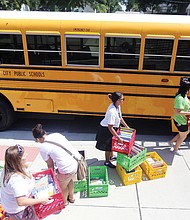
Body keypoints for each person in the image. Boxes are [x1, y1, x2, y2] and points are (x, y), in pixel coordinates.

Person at [32, 124, 81, 205]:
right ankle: (71, 198)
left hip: (66, 168)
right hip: (76, 162)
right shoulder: (56, 135)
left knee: (62, 186)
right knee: (69, 180)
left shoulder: (43, 148)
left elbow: (50, 165)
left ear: (38, 139)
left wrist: (51, 177)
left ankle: (64, 202)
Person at [0, 145, 50, 220]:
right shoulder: (16, 180)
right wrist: (42, 200)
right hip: (19, 211)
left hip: (10, 205)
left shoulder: (9, 167)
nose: (26, 154)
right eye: (24, 154)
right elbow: (21, 201)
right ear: (19, 160)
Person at [95, 92, 130, 168]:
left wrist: (127, 127)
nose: (123, 100)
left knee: (111, 145)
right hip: (106, 130)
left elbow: (120, 118)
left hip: (112, 128)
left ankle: (111, 156)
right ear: (117, 100)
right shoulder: (112, 111)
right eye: (122, 99)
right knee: (108, 147)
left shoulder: (118, 106)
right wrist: (118, 138)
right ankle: (107, 161)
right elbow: (110, 127)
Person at [170, 78, 190, 156]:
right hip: (180, 121)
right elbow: (177, 112)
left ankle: (171, 142)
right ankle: (175, 149)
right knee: (183, 137)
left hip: (183, 120)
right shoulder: (180, 99)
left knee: (183, 133)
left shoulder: (183, 96)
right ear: (187, 89)